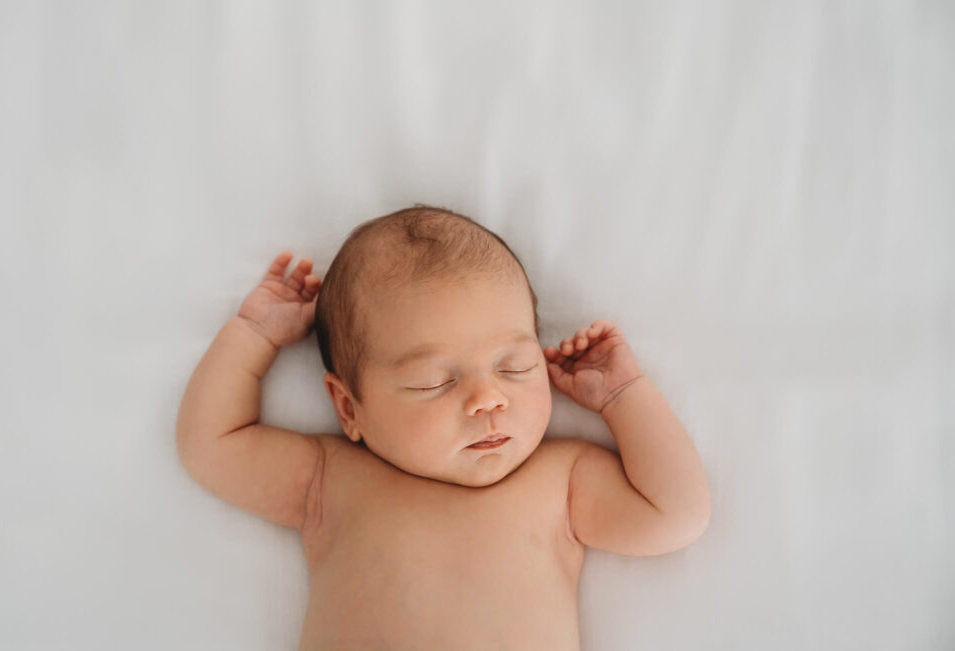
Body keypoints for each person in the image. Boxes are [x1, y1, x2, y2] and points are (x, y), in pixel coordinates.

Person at [176, 204, 711, 650]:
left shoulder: (560, 480)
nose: (487, 399)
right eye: (435, 381)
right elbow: (211, 445)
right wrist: (253, 335)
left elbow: (675, 515)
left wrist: (623, 398)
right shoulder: (329, 479)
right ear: (349, 408)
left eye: (514, 367)